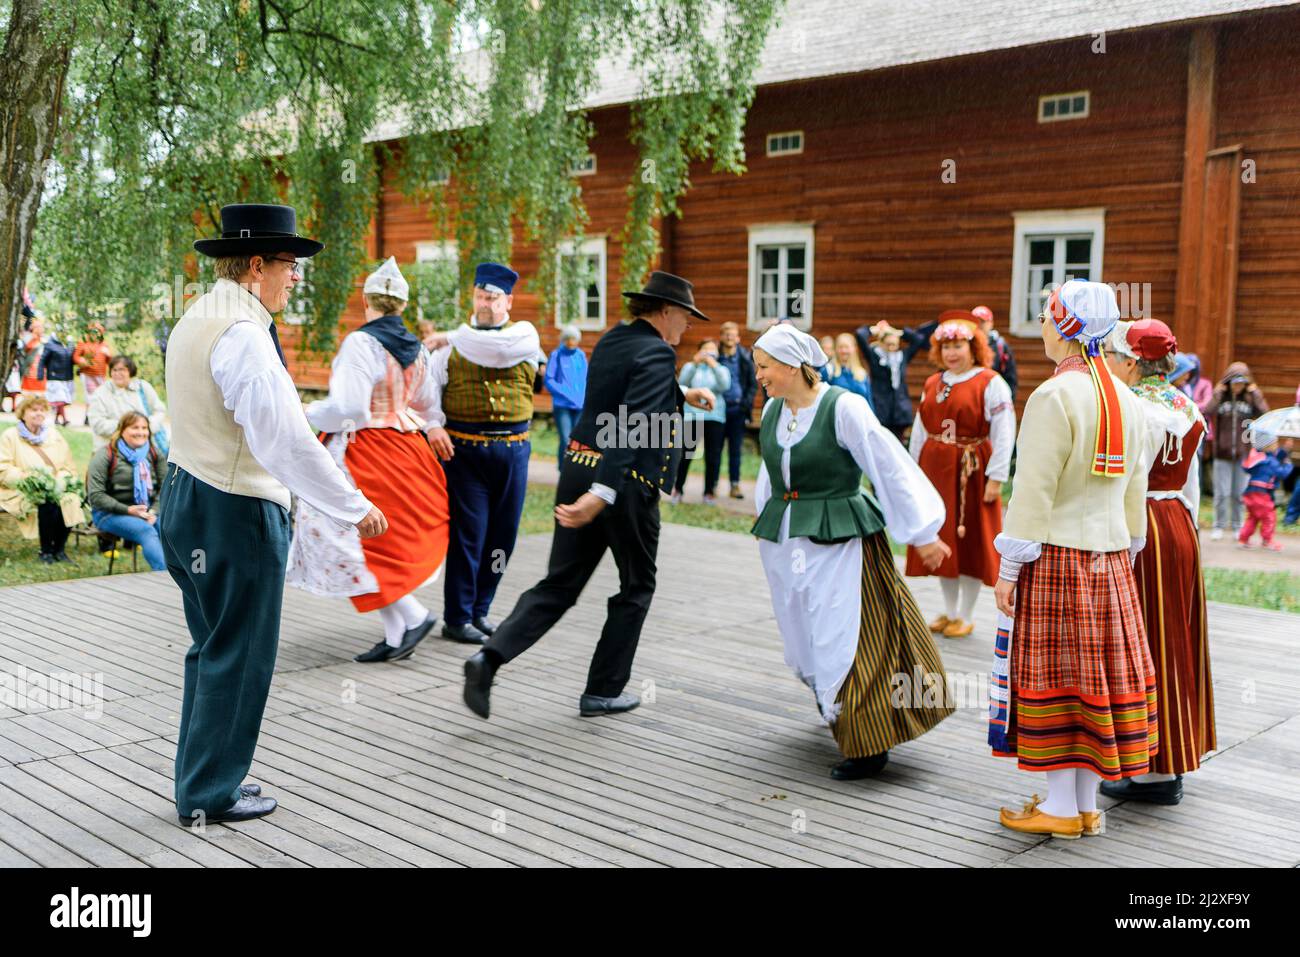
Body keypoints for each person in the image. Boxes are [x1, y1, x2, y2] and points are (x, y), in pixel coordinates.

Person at [160, 203, 386, 826]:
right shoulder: (243, 335)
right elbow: (282, 440)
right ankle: (211, 793)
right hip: (231, 509)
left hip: (185, 495)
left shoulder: (197, 317)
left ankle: (199, 779)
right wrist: (352, 506)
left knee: (212, 647)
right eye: (291, 265)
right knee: (242, 652)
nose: (296, 278)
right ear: (256, 265)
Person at [462, 271, 717, 720]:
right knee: (637, 585)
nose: (688, 326)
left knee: (559, 584)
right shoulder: (658, 352)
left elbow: (621, 391)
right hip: (624, 484)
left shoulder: (615, 339)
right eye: (685, 316)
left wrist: (680, 393)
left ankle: (489, 658)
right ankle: (602, 690)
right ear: (663, 312)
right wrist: (604, 494)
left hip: (577, 467)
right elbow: (632, 422)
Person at [751, 325, 953, 779]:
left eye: (764, 367)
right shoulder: (772, 413)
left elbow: (887, 465)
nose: (760, 375)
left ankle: (866, 742)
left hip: (840, 543)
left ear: (790, 365)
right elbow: (771, 478)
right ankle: (835, 708)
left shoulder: (844, 407)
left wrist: (922, 532)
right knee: (803, 629)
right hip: (788, 542)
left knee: (844, 631)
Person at [992, 280, 1154, 840]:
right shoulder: (1127, 399)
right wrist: (1128, 552)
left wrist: (1009, 567)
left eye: (1044, 313)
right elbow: (1136, 495)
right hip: (1109, 560)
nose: (1040, 322)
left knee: (1058, 678)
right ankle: (1084, 804)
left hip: (1058, 556)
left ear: (1063, 324)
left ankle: (1061, 808)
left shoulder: (1054, 396)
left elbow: (1032, 493)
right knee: (1093, 680)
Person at [287, 257, 450, 662]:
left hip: (365, 451)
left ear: (366, 301)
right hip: (406, 448)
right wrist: (430, 426)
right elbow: (428, 404)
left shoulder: (362, 342)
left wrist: (305, 413)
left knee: (349, 538)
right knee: (375, 544)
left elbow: (351, 409)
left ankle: (412, 615)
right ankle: (398, 631)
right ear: (402, 305)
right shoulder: (417, 348)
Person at [1102, 319, 1214, 805]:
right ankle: (1172, 752)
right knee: (1174, 639)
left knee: (1143, 640)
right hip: (1178, 524)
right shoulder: (1189, 406)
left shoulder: (1133, 406)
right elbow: (1191, 485)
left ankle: (1153, 770)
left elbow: (1129, 478)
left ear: (1132, 360)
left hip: (1142, 525)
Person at [422, 262, 540, 645]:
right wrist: (434, 424)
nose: (485, 304)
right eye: (479, 296)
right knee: (469, 536)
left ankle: (481, 609)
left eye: (492, 297)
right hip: (465, 450)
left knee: (503, 539)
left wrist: (450, 334)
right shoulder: (448, 349)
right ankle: (457, 616)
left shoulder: (524, 336)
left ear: (509, 300)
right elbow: (426, 392)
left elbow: (497, 347)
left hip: (514, 450)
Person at [905, 311, 1015, 638]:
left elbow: (1004, 431)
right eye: (946, 346)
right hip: (935, 470)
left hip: (972, 470)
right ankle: (949, 610)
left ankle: (965, 614)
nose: (952, 353)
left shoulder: (990, 382)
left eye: (959, 346)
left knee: (969, 542)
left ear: (974, 347)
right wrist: (912, 471)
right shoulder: (932, 383)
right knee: (943, 538)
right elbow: (921, 430)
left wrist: (997, 477)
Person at [0, 395, 85, 563]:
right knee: (46, 501)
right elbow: (3, 468)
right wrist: (30, 479)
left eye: (41, 410)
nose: (38, 413)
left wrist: (61, 479)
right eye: (33, 410)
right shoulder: (10, 436)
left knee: (70, 499)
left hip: (53, 485)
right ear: (23, 413)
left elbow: (67, 466)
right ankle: (46, 551)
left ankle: (59, 549)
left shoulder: (54, 435)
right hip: (20, 488)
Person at [86, 411, 167, 571]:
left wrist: (154, 511)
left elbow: (166, 487)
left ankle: (187, 577)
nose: (141, 432)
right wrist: (128, 510)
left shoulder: (153, 453)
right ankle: (164, 576)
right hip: (110, 513)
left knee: (171, 529)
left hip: (147, 511)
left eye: (144, 428)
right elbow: (95, 496)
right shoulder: (105, 455)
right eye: (135, 427)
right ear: (122, 430)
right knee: (146, 530)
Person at [1207, 361, 1269, 539]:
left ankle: (1237, 525)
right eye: (1234, 382)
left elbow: (1264, 413)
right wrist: (1217, 393)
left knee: (1239, 493)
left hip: (1243, 454)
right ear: (1228, 382)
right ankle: (1218, 525)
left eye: (1241, 383)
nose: (1237, 386)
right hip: (1222, 453)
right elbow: (1207, 411)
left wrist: (1255, 393)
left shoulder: (1249, 400)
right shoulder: (1222, 399)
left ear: (1246, 383)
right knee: (1222, 493)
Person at [852, 318, 938, 442]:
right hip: (880, 409)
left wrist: (898, 332)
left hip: (900, 412)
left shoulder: (902, 356)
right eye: (888, 344)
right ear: (881, 343)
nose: (892, 348)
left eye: (894, 345)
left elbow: (918, 339)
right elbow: (860, 334)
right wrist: (874, 330)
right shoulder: (874, 356)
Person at [673, 339, 731, 505]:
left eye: (712, 350)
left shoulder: (722, 369)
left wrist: (714, 365)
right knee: (687, 454)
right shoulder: (691, 367)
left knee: (713, 456)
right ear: (699, 351)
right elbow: (682, 384)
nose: (708, 354)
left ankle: (709, 492)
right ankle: (678, 488)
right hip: (693, 416)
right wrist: (694, 364)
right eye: (705, 350)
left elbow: (724, 385)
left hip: (715, 415)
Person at [86, 355, 167, 451]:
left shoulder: (143, 387)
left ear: (130, 371)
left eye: (122, 370)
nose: (117, 373)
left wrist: (146, 427)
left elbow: (159, 410)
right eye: (114, 370)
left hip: (145, 449)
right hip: (113, 451)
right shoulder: (100, 393)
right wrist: (127, 428)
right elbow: (97, 424)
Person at [716, 320, 756, 500]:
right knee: (714, 449)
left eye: (732, 334)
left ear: (738, 337)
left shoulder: (745, 358)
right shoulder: (715, 356)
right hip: (717, 410)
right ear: (721, 337)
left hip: (737, 410)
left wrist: (745, 404)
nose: (729, 337)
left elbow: (752, 384)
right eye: (726, 334)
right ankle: (713, 485)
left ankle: (734, 485)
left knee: (735, 450)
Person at [1238, 428, 1293, 550]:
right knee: (1269, 517)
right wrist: (1288, 465)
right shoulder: (1270, 461)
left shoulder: (1259, 459)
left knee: (1253, 517)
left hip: (1250, 492)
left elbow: (1277, 454)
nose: (1277, 445)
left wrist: (1286, 449)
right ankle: (1267, 541)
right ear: (1267, 446)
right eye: (1275, 443)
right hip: (1262, 494)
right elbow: (1282, 473)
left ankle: (1243, 539)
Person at [544, 325, 588, 472]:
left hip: (579, 405)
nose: (571, 341)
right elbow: (549, 380)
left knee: (576, 439)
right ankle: (563, 470)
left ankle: (573, 469)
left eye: (574, 338)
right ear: (563, 339)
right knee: (565, 438)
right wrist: (566, 393)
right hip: (562, 405)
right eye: (568, 338)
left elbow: (585, 378)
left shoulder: (580, 355)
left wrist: (584, 396)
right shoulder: (556, 355)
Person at [972, 305, 1018, 402]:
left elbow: (1010, 377)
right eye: (975, 321)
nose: (978, 325)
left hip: (993, 398)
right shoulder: (965, 344)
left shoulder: (1000, 346)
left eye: (982, 321)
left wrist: (1007, 401)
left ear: (991, 323)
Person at [820, 332, 874, 410]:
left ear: (854, 348)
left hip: (858, 419)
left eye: (847, 347)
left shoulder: (862, 373)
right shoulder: (828, 371)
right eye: (840, 347)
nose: (844, 350)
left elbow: (869, 401)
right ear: (836, 349)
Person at [37, 328, 76, 425]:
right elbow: (42, 360)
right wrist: (40, 373)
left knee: (63, 400)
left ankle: (56, 419)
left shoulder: (70, 344)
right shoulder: (50, 345)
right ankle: (65, 420)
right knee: (60, 399)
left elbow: (74, 359)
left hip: (67, 377)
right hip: (54, 377)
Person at [74, 322, 113, 399]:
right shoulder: (83, 343)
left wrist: (109, 355)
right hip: (88, 374)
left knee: (101, 396)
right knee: (91, 397)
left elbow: (110, 362)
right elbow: (76, 357)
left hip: (101, 375)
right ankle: (90, 410)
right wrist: (81, 361)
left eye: (98, 331)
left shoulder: (104, 344)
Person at [18, 315, 45, 394]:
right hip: (30, 370)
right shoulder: (28, 339)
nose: (41, 330)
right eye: (38, 327)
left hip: (40, 371)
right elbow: (25, 353)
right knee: (29, 395)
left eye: (41, 327)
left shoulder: (43, 341)